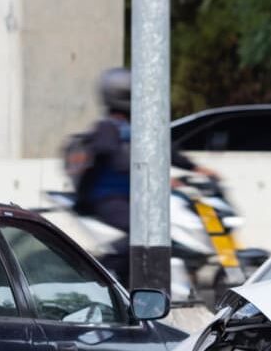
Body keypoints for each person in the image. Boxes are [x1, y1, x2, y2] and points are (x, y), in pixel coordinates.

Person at [74, 67, 218, 284]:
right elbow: (115, 158)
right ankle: (105, 270)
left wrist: (197, 168)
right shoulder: (107, 129)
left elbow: (162, 149)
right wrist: (156, 179)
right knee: (145, 231)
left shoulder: (135, 128)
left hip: (133, 198)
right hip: (108, 198)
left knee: (167, 227)